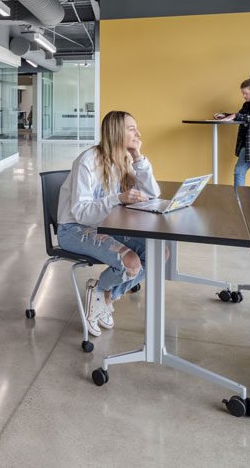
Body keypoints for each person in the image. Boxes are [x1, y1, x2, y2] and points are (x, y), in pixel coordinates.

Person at [56, 110, 160, 336]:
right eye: (132, 129)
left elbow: (153, 194)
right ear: (116, 132)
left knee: (159, 255)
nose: (138, 133)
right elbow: (81, 213)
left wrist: (138, 157)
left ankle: (104, 295)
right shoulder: (88, 161)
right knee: (131, 262)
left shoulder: (123, 159)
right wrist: (119, 198)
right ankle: (101, 292)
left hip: (107, 225)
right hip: (73, 229)